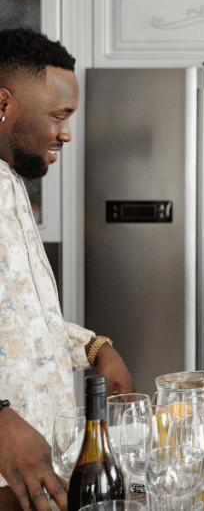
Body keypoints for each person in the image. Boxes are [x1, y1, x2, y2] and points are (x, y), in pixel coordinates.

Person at [0, 28, 135, 511]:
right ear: (3, 104)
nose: (66, 133)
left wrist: (94, 346)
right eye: (59, 116)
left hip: (35, 479)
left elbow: (21, 322)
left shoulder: (11, 186)